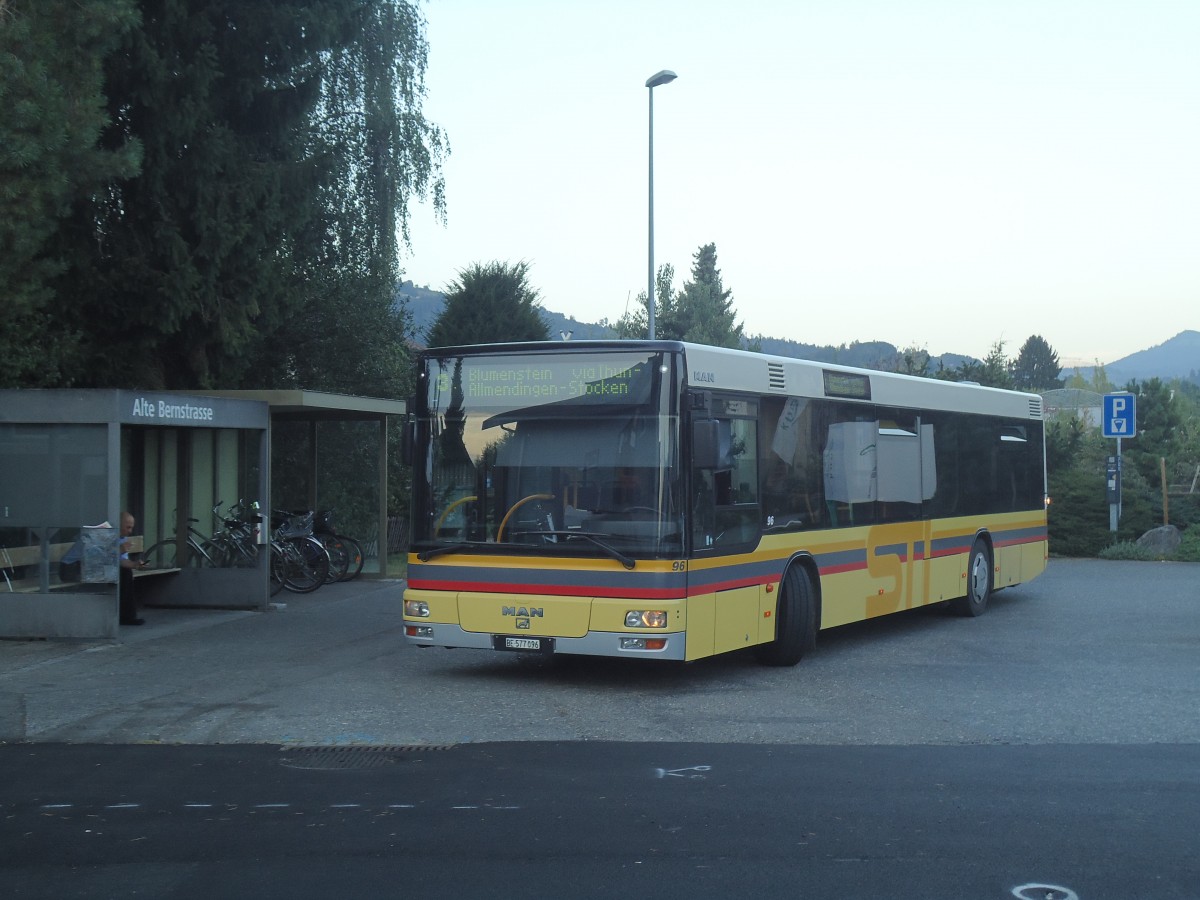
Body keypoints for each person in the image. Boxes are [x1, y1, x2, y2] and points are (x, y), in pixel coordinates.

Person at [118, 511, 148, 626]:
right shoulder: (105, 535)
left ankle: (127, 615)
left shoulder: (122, 539)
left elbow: (121, 561)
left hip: (101, 568)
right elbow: (98, 558)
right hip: (74, 567)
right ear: (119, 524)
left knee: (126, 572)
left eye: (131, 528)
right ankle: (126, 615)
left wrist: (135, 564)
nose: (130, 531)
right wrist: (119, 550)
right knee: (124, 574)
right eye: (127, 527)